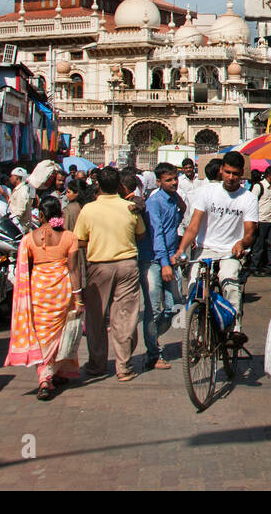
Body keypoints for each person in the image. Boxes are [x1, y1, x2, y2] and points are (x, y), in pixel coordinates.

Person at [5, 196, 83, 400]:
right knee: (59, 334)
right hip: (62, 290)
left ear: (40, 215)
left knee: (43, 336)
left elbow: (23, 270)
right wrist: (78, 297)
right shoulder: (70, 237)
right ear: (60, 214)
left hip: (39, 290)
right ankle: (51, 375)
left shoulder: (28, 239)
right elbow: (74, 269)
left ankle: (46, 377)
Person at [175, 150, 257, 343]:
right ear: (221, 170)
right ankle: (196, 334)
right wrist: (180, 250)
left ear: (241, 174)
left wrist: (242, 243)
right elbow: (193, 226)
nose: (231, 177)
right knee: (195, 286)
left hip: (230, 252)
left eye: (235, 174)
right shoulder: (207, 192)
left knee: (228, 280)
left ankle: (234, 328)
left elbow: (250, 232)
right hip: (205, 249)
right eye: (227, 172)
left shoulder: (248, 198)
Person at [74, 167, 146, 382]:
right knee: (124, 316)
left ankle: (97, 365)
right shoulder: (130, 208)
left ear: (97, 185)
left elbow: (80, 241)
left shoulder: (88, 209)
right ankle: (123, 366)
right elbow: (141, 235)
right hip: (127, 265)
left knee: (96, 317)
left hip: (99, 266)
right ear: (119, 186)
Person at [141, 163, 183, 370]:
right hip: (155, 261)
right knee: (154, 309)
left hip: (170, 259)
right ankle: (152, 353)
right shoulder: (154, 202)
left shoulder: (174, 198)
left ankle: (153, 337)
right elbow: (157, 233)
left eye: (175, 178)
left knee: (175, 305)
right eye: (169, 180)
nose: (174, 182)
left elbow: (178, 219)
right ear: (158, 182)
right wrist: (165, 263)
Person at [251, 164, 271, 275]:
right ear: (270, 175)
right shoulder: (259, 186)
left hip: (270, 219)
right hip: (260, 220)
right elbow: (252, 203)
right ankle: (255, 267)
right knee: (259, 245)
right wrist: (254, 221)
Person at [7, 166, 33, 234]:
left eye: (11, 176)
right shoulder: (18, 189)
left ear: (17, 177)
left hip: (21, 227)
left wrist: (13, 223)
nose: (10, 178)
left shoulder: (22, 190)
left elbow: (20, 211)